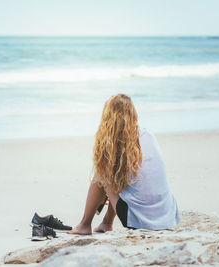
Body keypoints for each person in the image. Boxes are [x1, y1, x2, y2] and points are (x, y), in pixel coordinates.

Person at [69, 94, 180, 234]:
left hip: (141, 221)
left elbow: (106, 177)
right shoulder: (146, 134)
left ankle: (84, 225)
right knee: (120, 180)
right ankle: (106, 224)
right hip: (166, 214)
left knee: (101, 175)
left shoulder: (114, 141)